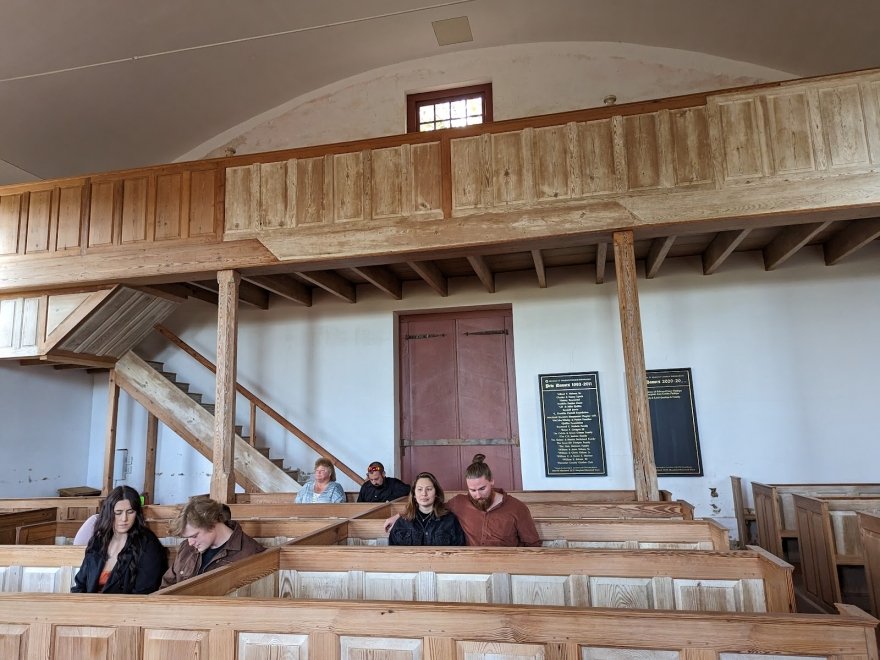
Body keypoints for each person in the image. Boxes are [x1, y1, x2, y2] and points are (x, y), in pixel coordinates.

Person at [384, 454, 541, 547]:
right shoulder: (459, 503)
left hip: (506, 567)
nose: (477, 495)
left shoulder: (517, 508)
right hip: (469, 570)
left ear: (492, 481)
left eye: (482, 489)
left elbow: (533, 545)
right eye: (472, 490)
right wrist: (399, 515)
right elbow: (429, 505)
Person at [71, 485, 167, 594]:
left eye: (130, 512)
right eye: (118, 512)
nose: (124, 519)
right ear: (109, 513)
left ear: (137, 513)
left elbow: (144, 592)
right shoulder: (99, 540)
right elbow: (80, 584)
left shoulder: (147, 543)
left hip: (127, 604)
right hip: (90, 603)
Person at [161, 495, 264, 587]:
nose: (190, 542)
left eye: (194, 536)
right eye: (187, 537)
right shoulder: (186, 547)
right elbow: (166, 586)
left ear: (212, 523)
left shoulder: (251, 553)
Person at [388, 471, 465, 546]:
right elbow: (392, 551)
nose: (424, 494)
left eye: (429, 489)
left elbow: (459, 549)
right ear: (414, 494)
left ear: (436, 493)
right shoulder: (402, 522)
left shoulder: (449, 520)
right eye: (420, 489)